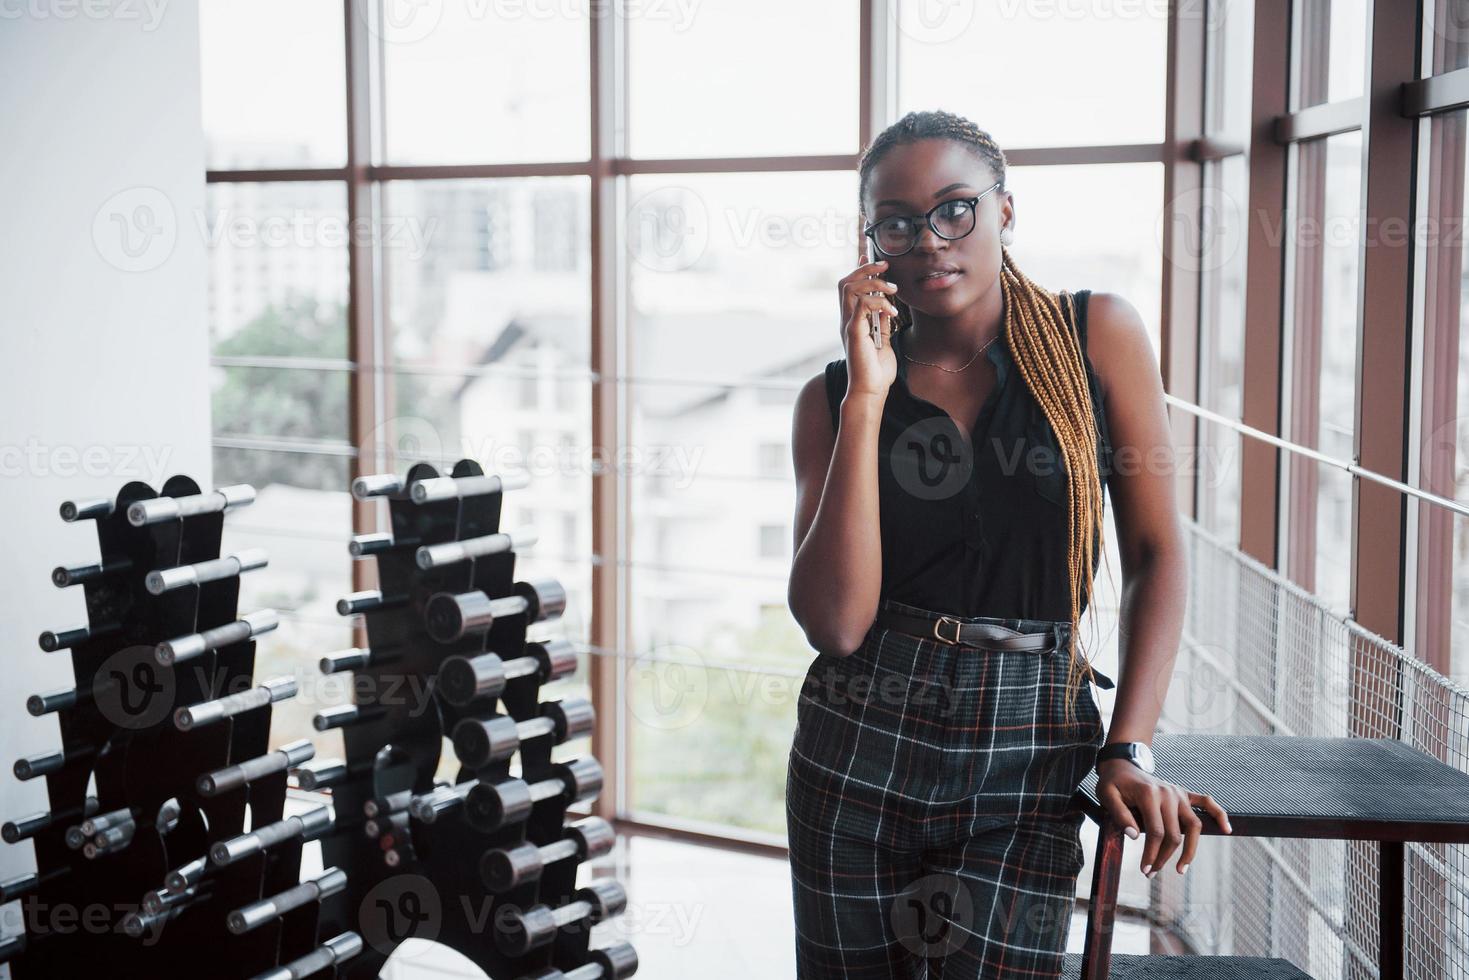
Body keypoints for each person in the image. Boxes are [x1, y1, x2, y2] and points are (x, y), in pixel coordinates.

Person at [784, 109, 1233, 979]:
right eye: (898, 222)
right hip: (857, 738)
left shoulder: (1094, 334)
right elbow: (835, 626)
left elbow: (1155, 554)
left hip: (1027, 744)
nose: (929, 240)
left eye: (956, 209)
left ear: (1005, 210)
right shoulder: (833, 396)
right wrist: (867, 401)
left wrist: (1127, 745)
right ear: (870, 238)